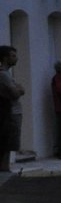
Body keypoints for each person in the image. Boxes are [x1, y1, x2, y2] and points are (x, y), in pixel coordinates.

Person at [0, 45, 23, 173]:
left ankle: (5, 167)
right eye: (13, 56)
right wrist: (20, 89)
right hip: (10, 112)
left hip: (12, 111)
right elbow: (15, 92)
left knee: (9, 141)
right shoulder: (3, 75)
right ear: (5, 58)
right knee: (7, 141)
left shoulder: (7, 74)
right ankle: (4, 168)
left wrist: (18, 89)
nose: (16, 58)